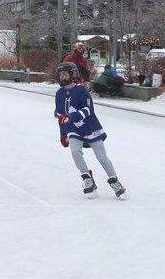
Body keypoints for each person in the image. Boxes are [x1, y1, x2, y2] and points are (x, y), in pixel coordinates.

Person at [54, 62, 127, 200]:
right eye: (61, 74)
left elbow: (88, 109)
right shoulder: (59, 94)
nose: (63, 77)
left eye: (65, 74)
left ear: (73, 74)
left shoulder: (81, 90)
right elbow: (60, 115)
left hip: (90, 127)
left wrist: (72, 116)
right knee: (75, 152)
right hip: (73, 129)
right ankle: (87, 179)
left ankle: (115, 181)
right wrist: (63, 133)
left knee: (101, 157)